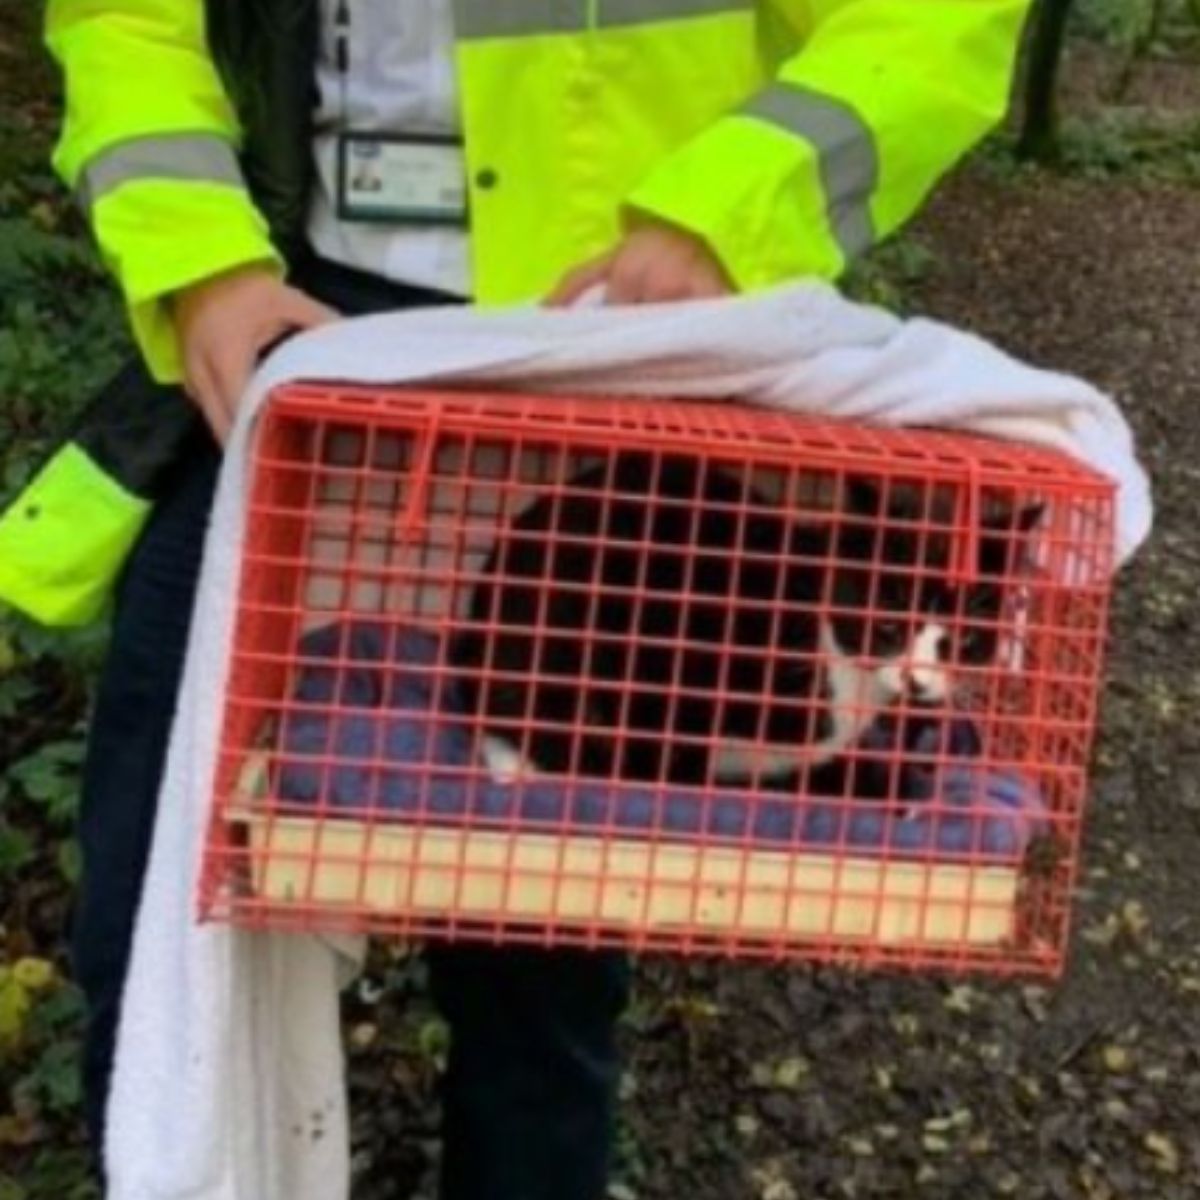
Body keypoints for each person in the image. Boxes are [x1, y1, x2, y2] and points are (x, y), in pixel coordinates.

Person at [0, 3, 1033, 1196]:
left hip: (611, 350)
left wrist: (728, 208)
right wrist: (200, 263)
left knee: (541, 965)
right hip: (303, 331)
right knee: (155, 913)